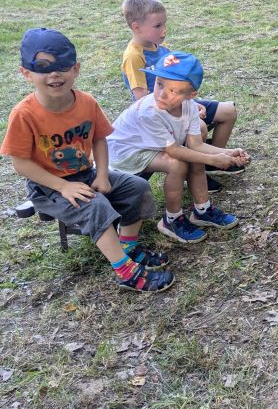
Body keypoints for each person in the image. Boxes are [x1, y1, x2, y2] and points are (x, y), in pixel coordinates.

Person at [0, 29, 175, 293]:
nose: (55, 74)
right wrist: (63, 187)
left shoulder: (86, 103)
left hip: (86, 173)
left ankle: (127, 247)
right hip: (49, 188)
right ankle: (125, 272)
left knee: (137, 188)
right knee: (95, 206)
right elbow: (21, 163)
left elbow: (99, 140)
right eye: (44, 68)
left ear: (76, 69)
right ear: (26, 73)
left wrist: (102, 174)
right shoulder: (24, 114)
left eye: (63, 66)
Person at [107, 51, 250, 244]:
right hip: (125, 154)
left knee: (194, 155)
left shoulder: (189, 106)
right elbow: (173, 151)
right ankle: (171, 220)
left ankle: (202, 210)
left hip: (148, 147)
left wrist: (228, 153)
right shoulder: (150, 112)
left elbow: (195, 144)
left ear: (191, 94)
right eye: (159, 84)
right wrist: (213, 159)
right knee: (177, 164)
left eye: (173, 91)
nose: (162, 94)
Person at [120, 0, 242, 192]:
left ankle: (211, 164)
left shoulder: (160, 47)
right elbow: (141, 97)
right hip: (163, 109)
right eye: (158, 26)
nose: (164, 30)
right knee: (200, 128)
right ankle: (196, 170)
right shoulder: (133, 56)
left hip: (181, 100)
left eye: (164, 24)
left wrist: (192, 104)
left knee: (228, 111)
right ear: (136, 27)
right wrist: (190, 108)